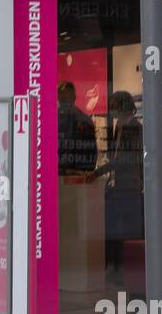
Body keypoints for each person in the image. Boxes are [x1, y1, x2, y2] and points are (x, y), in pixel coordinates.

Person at [96, 91, 144, 286]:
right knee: (114, 230)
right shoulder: (120, 126)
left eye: (114, 105)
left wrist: (100, 171)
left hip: (129, 186)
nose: (111, 109)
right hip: (119, 185)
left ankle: (125, 272)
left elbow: (124, 158)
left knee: (127, 231)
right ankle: (115, 269)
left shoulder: (132, 126)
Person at [57, 81, 99, 175]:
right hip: (55, 177)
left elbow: (91, 154)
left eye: (66, 99)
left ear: (74, 98)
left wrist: (81, 173)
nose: (64, 103)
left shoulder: (84, 122)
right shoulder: (51, 120)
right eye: (61, 100)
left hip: (77, 178)